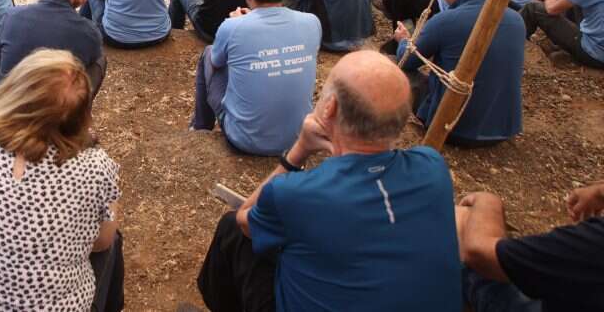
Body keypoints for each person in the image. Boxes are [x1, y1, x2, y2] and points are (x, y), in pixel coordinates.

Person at [197, 50, 460, 312]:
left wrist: (299, 149)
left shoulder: (295, 195)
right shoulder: (433, 167)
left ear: (329, 107)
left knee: (232, 227)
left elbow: (245, 220)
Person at [0, 50, 124, 312]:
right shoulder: (96, 168)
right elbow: (102, 241)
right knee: (112, 237)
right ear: (81, 118)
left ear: (13, 92)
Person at [192, 0, 321, 155]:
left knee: (209, 53)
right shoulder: (312, 22)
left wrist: (238, 24)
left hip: (245, 139)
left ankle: (200, 128)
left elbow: (217, 63)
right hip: (298, 137)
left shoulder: (233, 26)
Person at [396, 0, 524, 146]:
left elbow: (407, 60)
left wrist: (403, 41)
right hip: (503, 129)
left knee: (394, 66)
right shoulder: (515, 19)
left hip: (452, 128)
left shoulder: (446, 20)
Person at [457, 181, 604, 311]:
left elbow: (479, 253)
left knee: (463, 223)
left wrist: (489, 202)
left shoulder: (593, 242)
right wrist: (599, 192)